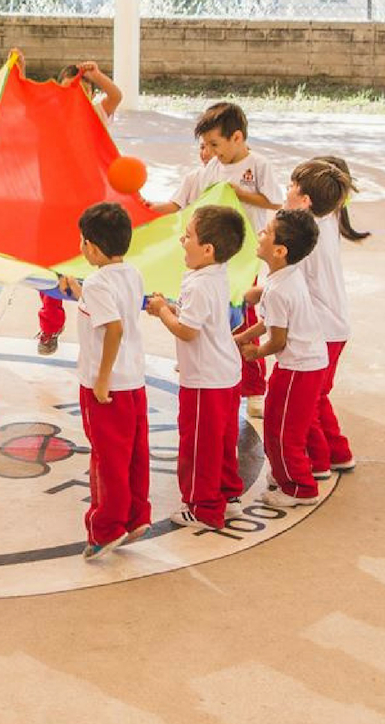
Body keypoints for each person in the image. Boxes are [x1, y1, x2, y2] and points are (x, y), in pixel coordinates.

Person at [146, 102, 284, 418]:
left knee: (243, 314)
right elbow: (190, 202)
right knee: (206, 311)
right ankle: (207, 362)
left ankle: (253, 388)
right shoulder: (211, 168)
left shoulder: (257, 165)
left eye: (214, 144)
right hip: (212, 257)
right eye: (205, 145)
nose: (209, 152)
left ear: (237, 137)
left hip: (243, 257)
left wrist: (238, 192)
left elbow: (274, 201)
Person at [57, 202, 150, 560]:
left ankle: (106, 528)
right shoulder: (131, 274)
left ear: (92, 248)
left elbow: (114, 327)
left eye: (82, 241)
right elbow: (112, 309)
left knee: (106, 459)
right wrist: (79, 291)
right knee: (134, 453)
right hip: (133, 381)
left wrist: (102, 379)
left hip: (107, 387)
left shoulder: (98, 282)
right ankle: (136, 516)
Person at [148, 205, 247, 529]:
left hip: (205, 380)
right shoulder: (215, 274)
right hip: (226, 374)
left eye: (188, 236)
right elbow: (199, 317)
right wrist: (171, 307)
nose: (181, 240)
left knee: (199, 446)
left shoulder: (199, 283)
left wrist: (163, 312)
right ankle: (228, 495)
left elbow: (187, 331)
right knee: (223, 441)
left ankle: (203, 507)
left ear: (208, 249)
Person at [235, 209, 327, 507]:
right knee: (277, 422)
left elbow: (277, 339)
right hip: (301, 365)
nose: (260, 234)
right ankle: (284, 473)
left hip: (299, 369)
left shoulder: (277, 290)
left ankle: (299, 488)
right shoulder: (284, 277)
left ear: (279, 250)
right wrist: (243, 336)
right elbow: (271, 322)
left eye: (266, 232)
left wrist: (255, 352)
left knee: (283, 430)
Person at [36, 59, 124, 357]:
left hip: (90, 205)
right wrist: (18, 71)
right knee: (51, 266)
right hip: (53, 205)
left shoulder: (97, 114)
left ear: (91, 94)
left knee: (99, 264)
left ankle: (105, 320)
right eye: (68, 90)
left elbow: (116, 96)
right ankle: (50, 326)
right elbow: (24, 103)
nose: (75, 96)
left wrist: (96, 75)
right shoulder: (50, 117)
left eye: (83, 91)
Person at [283, 158, 361, 474]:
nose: (286, 189)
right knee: (317, 396)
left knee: (307, 401)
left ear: (305, 201)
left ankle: (317, 460)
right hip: (335, 327)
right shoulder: (328, 219)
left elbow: (291, 286)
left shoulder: (305, 238)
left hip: (320, 330)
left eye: (292, 186)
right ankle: (338, 452)